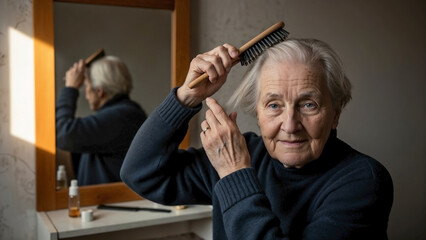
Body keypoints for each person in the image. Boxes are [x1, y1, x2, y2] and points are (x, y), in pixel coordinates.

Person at [121, 39, 393, 239]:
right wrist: (186, 97)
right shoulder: (244, 152)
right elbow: (140, 173)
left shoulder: (363, 181)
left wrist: (235, 174)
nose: (290, 125)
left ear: (335, 114)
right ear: (258, 113)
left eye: (308, 104)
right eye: (274, 105)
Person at [56, 56, 147, 186]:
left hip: (111, 203)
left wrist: (71, 88)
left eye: (86, 86)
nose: (86, 94)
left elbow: (64, 134)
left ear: (99, 91)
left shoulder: (121, 117)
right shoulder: (126, 113)